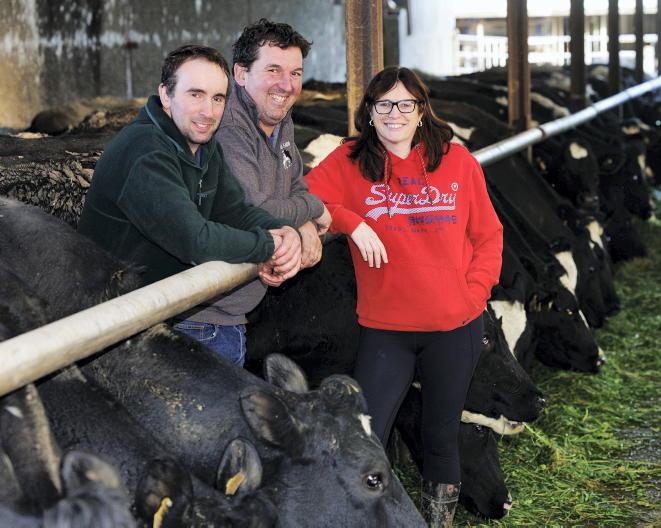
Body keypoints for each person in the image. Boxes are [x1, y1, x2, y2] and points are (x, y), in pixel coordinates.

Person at [305, 66, 503, 527]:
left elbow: (489, 236)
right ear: (369, 113)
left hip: (454, 328)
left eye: (405, 104)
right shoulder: (350, 160)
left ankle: (437, 522)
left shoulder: (457, 162)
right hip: (385, 331)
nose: (395, 113)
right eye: (384, 104)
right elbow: (305, 198)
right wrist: (351, 223)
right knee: (367, 434)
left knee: (440, 435)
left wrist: (473, 294)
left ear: (421, 111)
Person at [77, 44, 301, 365]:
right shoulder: (144, 149)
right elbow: (193, 240)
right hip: (108, 336)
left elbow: (235, 210)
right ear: (166, 96)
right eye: (195, 94)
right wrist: (267, 245)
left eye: (218, 98)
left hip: (155, 316)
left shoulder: (204, 147)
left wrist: (280, 231)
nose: (208, 112)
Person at [199, 18, 330, 347]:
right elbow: (252, 209)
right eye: (273, 70)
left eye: (296, 74)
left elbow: (295, 184)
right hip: (205, 316)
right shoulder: (229, 127)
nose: (286, 85)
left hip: (239, 306)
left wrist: (306, 226)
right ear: (241, 74)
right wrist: (314, 209)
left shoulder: (281, 118)